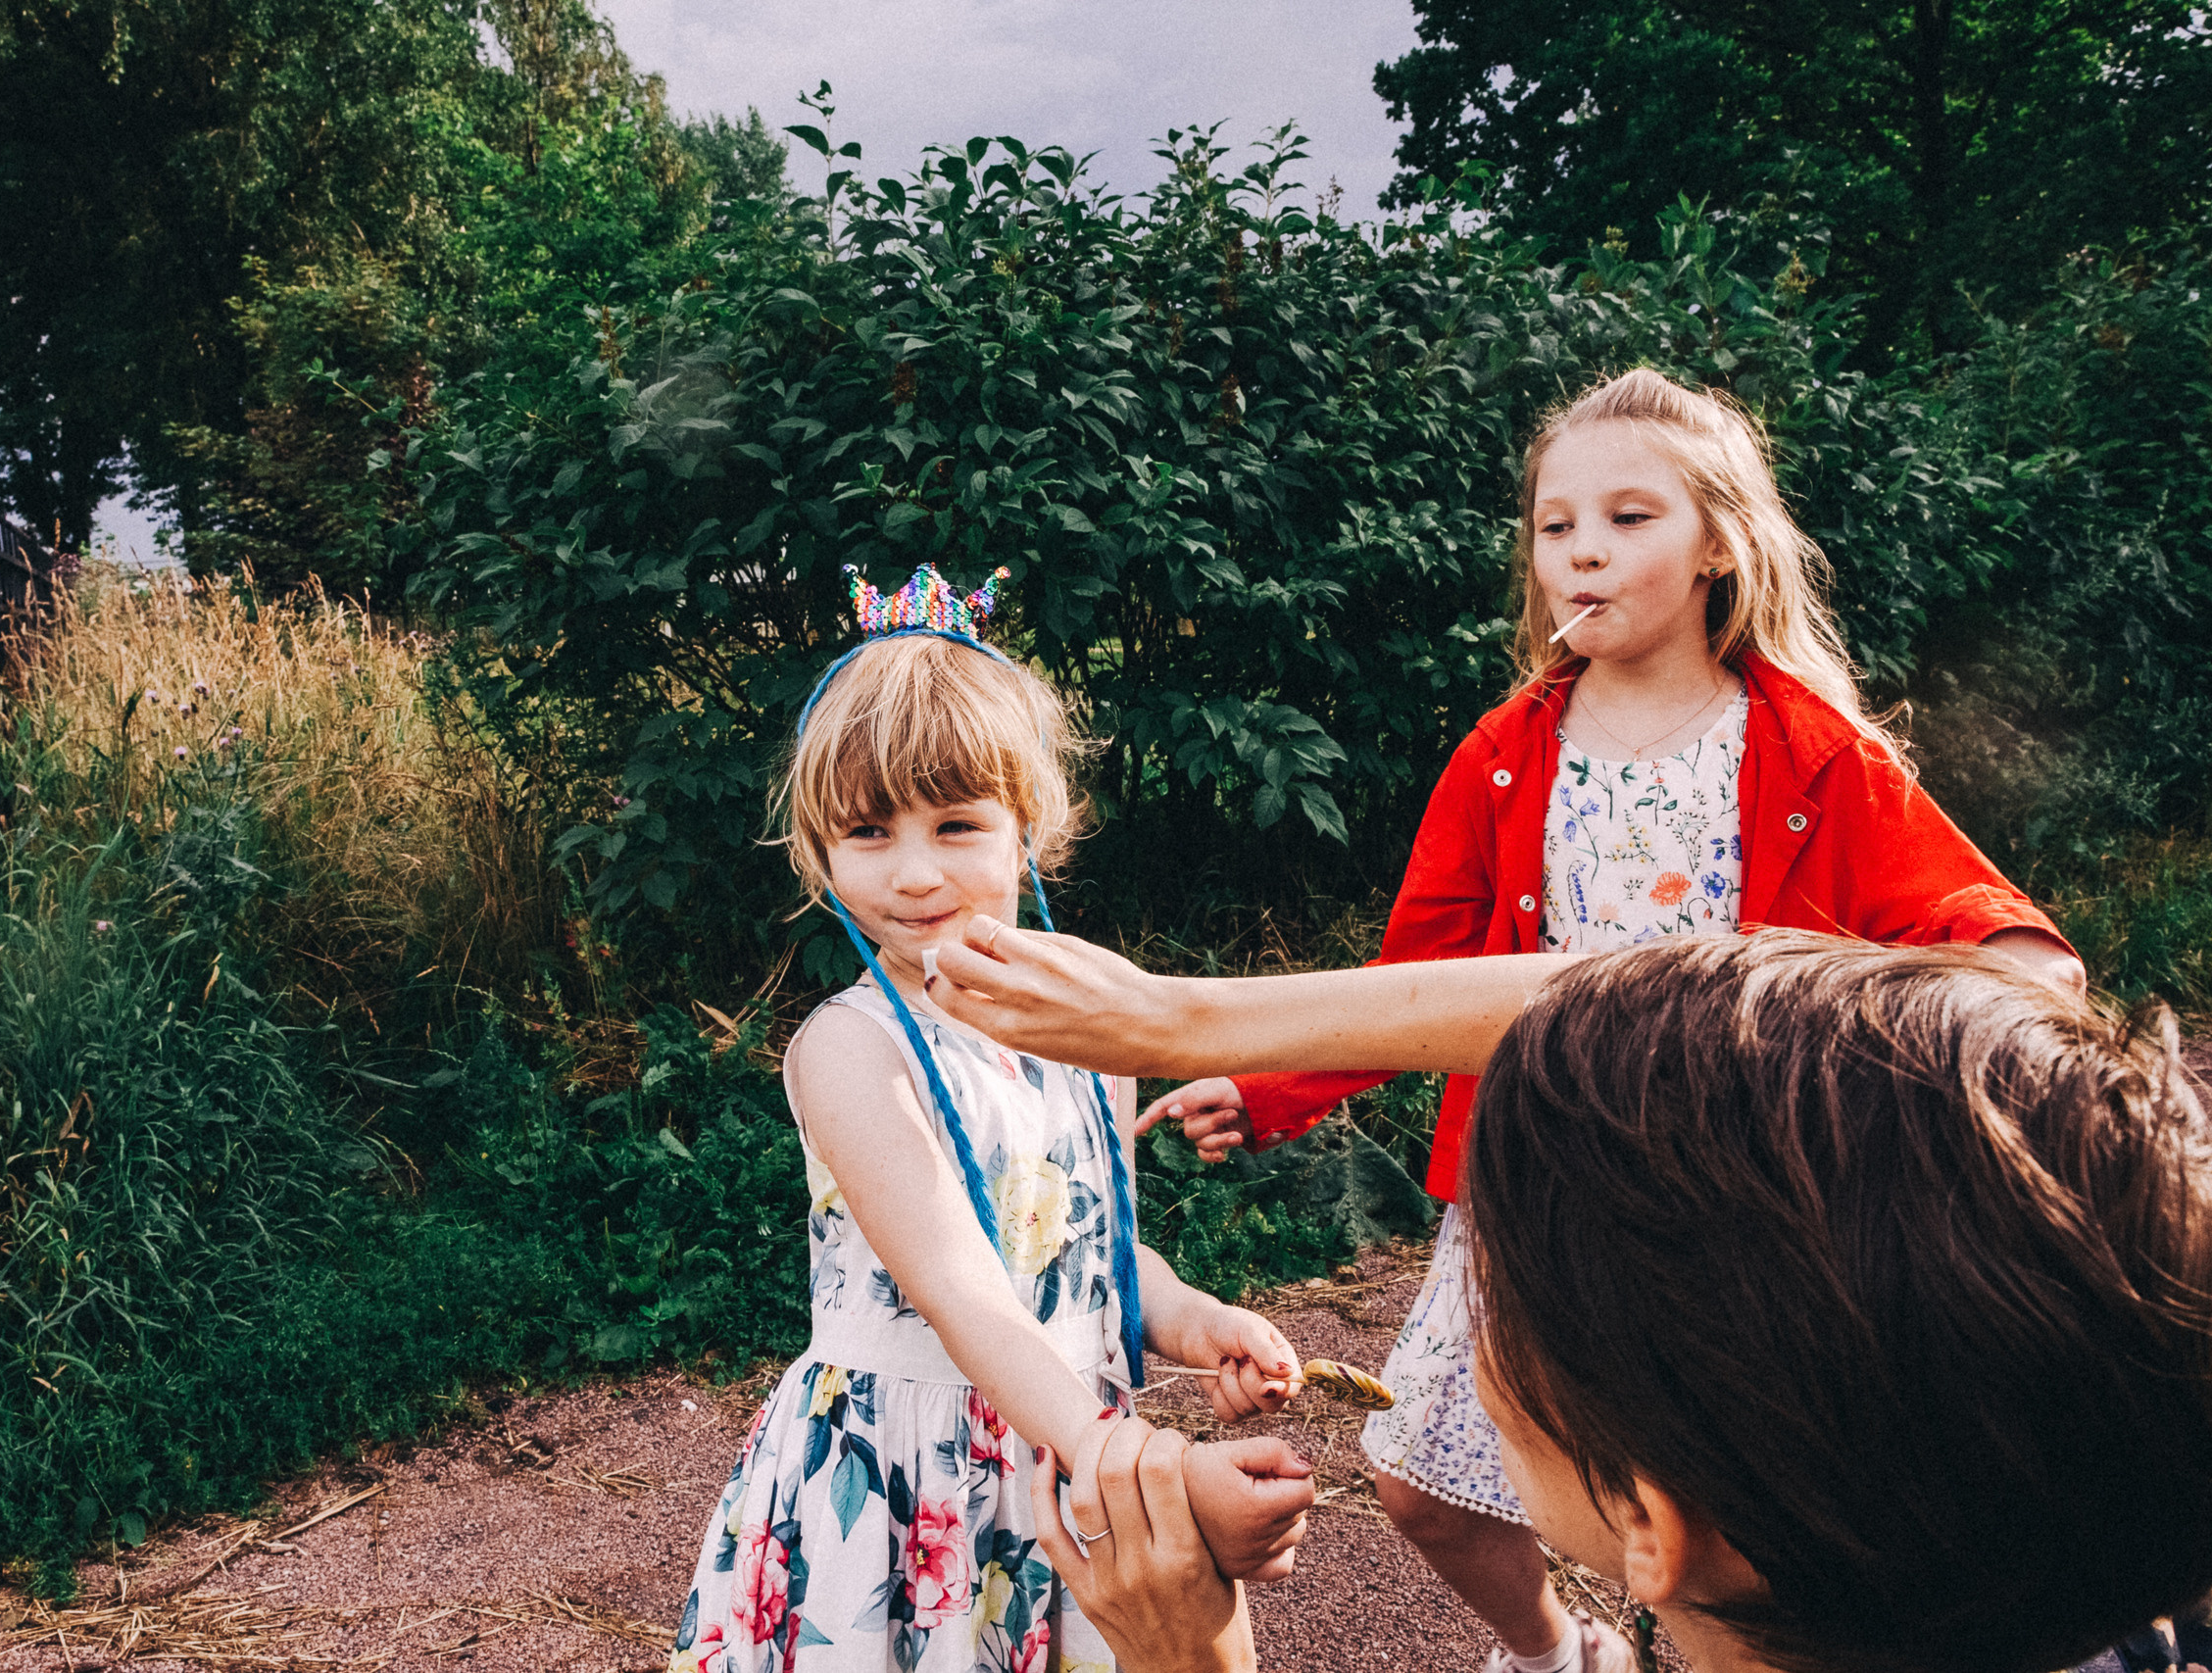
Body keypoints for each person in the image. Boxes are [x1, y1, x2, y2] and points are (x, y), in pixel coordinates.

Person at [1136, 367, 2085, 1673]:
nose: (1582, 546)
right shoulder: (1505, 753)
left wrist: (2015, 962)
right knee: (1419, 1484)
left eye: (1630, 516)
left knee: (1738, 1521)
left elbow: (1964, 911)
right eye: (1555, 522)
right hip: (1531, 1178)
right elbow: (1420, 967)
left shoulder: (1814, 747)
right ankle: (1558, 1651)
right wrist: (1275, 1081)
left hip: (1738, 1192)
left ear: (1720, 546)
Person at [915, 917, 2212, 1673]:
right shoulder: (2114, 1529)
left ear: (1653, 1519)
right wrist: (1176, 1018)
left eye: (1501, 1289)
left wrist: (1191, 1655)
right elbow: (1694, 1020)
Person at [667, 567, 1318, 1673]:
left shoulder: (1086, 1021)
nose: (914, 873)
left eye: (955, 823)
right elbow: (965, 1292)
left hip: (1069, 1458)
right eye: (868, 832)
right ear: (819, 849)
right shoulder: (849, 1048)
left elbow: (1083, 1250)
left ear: (1030, 826)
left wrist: (1191, 1316)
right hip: (904, 1476)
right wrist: (1127, 1458)